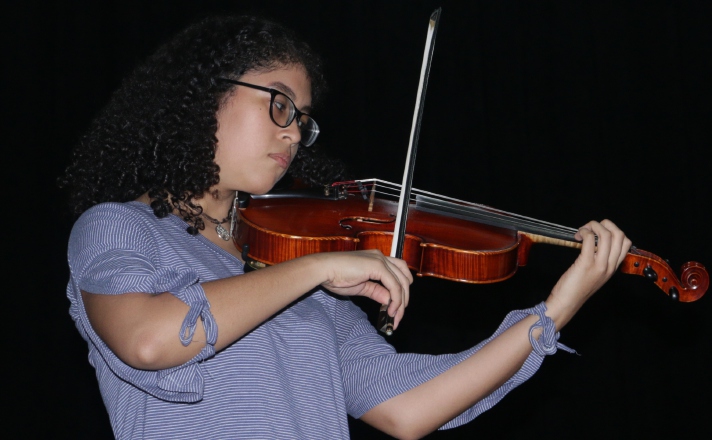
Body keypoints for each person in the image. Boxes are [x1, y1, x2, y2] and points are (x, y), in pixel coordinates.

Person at [60, 14, 631, 440]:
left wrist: (556, 310)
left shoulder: (294, 278)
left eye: (302, 120)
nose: (294, 133)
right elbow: (150, 339)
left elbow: (409, 407)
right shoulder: (116, 229)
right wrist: (317, 267)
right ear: (203, 97)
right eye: (279, 105)